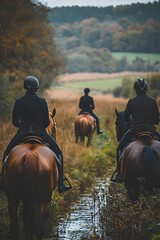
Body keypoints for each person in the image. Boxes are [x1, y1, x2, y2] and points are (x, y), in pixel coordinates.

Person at [0, 76, 71, 193]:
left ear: (25, 87)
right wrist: (39, 127)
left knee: (7, 153)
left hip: (22, 133)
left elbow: (14, 121)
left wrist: (23, 127)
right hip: (41, 132)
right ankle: (61, 184)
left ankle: (2, 181)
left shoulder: (18, 101)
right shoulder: (42, 101)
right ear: (36, 88)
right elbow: (47, 122)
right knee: (59, 153)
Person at [112, 78, 160, 183]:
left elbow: (125, 119)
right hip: (151, 130)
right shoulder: (153, 101)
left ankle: (119, 174)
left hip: (135, 130)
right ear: (146, 89)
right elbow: (157, 120)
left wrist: (133, 120)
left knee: (119, 148)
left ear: (135, 90)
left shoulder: (131, 101)